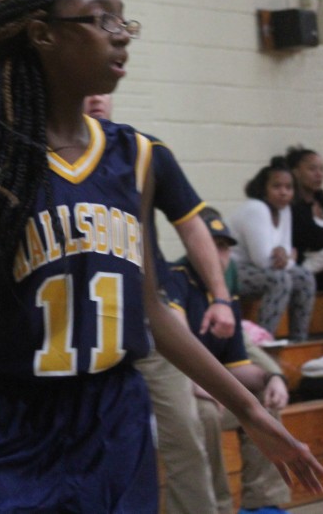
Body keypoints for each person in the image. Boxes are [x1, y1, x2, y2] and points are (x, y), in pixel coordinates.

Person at [0, 0, 323, 512]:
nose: (122, 37)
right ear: (43, 34)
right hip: (14, 415)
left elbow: (153, 312)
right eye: (102, 20)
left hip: (115, 417)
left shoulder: (135, 156)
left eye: (125, 23)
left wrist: (251, 411)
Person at [85, 91, 235, 514]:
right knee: (96, 450)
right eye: (85, 87)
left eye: (103, 90)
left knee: (186, 436)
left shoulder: (143, 151)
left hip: (151, 323)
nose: (96, 96)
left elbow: (192, 225)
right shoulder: (41, 157)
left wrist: (220, 297)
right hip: (83, 326)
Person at [166, 207, 293, 514]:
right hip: (167, 401)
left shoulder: (226, 298)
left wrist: (271, 378)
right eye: (212, 244)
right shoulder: (174, 282)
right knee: (206, 411)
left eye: (224, 246)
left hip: (205, 392)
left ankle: (261, 503)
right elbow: (173, 357)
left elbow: (239, 367)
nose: (219, 254)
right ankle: (217, 506)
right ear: (193, 245)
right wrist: (204, 384)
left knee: (264, 399)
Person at [228, 157, 317, 341]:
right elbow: (262, 260)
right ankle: (263, 341)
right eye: (277, 187)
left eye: (288, 187)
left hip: (257, 271)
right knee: (279, 279)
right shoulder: (256, 208)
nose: (283, 192)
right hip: (230, 270)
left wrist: (286, 257)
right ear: (263, 189)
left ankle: (298, 340)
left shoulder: (285, 210)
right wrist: (286, 258)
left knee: (305, 277)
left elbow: (284, 253)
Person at [287, 145, 323, 292]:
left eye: (322, 169)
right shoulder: (292, 208)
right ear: (296, 172)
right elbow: (312, 240)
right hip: (306, 271)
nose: (319, 174)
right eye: (312, 169)